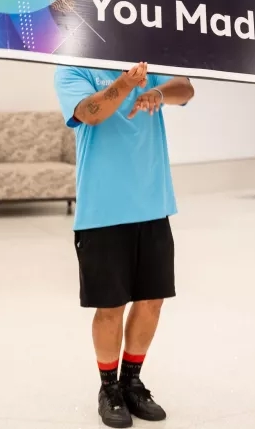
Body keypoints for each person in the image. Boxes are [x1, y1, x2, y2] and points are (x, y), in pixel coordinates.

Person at [54, 62, 195, 428]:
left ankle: (132, 382)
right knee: (110, 306)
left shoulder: (147, 61)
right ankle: (109, 388)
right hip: (102, 211)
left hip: (153, 203)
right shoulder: (71, 68)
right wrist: (124, 84)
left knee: (151, 300)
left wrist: (157, 92)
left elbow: (186, 89)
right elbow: (89, 113)